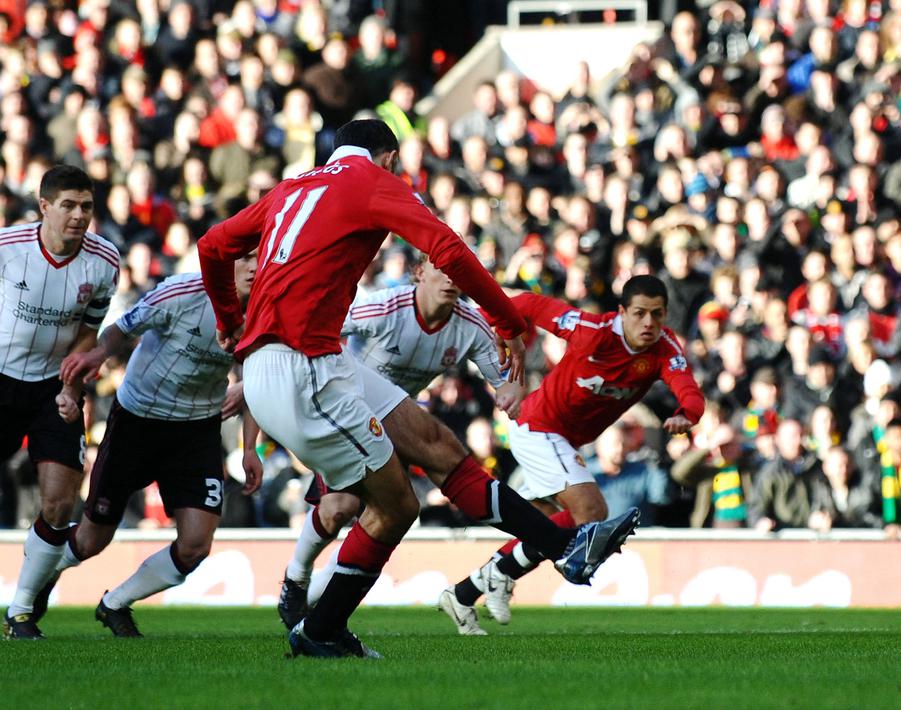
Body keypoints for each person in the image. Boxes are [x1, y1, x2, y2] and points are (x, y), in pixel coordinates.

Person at [197, 119, 639, 658]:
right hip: (302, 368)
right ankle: (319, 627)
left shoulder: (293, 187)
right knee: (396, 505)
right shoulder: (371, 181)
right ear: (388, 158)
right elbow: (448, 249)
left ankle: (568, 547)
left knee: (438, 446)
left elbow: (215, 244)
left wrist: (228, 320)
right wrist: (508, 320)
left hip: (314, 358)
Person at [438, 275, 705, 636]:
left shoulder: (665, 349)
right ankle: (507, 574)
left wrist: (687, 414)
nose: (649, 323)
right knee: (592, 511)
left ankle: (466, 592)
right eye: (640, 313)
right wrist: (494, 329)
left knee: (548, 524)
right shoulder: (592, 331)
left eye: (657, 315)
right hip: (539, 427)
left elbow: (688, 389)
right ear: (621, 312)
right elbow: (530, 304)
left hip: (566, 439)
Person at [17, 259, 264, 638]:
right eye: (245, 258)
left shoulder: (269, 306)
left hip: (197, 429)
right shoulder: (183, 292)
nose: (253, 266)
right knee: (90, 540)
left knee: (196, 545)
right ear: (226, 262)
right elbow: (121, 328)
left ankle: (114, 602)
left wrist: (250, 447)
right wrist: (99, 355)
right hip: (138, 420)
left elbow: (264, 376)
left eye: (260, 257)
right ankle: (42, 580)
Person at [276, 255, 526, 629]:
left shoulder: (470, 325)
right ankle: (296, 580)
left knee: (378, 521)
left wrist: (511, 392)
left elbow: (504, 378)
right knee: (340, 508)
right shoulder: (383, 308)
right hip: (347, 416)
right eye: (441, 268)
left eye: (459, 272)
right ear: (419, 273)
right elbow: (319, 332)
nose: (450, 279)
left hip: (396, 427)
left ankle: (311, 606)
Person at [2, 166, 120, 640]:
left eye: (86, 206)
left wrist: (72, 388)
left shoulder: (104, 260)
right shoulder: (8, 249)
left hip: (54, 386)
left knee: (60, 501)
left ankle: (22, 611)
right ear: (44, 206)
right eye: (68, 205)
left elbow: (89, 331)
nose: (78, 216)